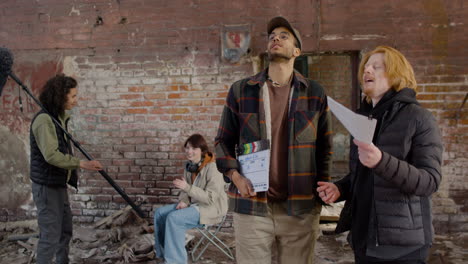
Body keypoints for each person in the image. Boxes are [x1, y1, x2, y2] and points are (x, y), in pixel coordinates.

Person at [215, 16, 332, 264]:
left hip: (300, 207)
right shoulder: (241, 90)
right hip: (252, 206)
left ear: (297, 51)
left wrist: (319, 200)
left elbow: (325, 150)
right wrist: (236, 176)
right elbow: (222, 142)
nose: (275, 38)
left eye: (284, 36)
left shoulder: (314, 92)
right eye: (272, 36)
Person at [317, 46, 443, 264]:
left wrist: (382, 161)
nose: (367, 71)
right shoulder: (362, 117)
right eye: (366, 67)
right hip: (364, 239)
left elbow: (429, 181)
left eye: (377, 67)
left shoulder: (419, 118)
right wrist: (341, 188)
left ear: (397, 75)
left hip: (402, 247)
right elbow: (363, 174)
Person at [30, 74, 103, 264]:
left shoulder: (58, 118)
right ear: (60, 96)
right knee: (50, 237)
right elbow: (51, 155)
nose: (76, 101)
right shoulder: (44, 121)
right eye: (73, 96)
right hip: (46, 187)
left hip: (58, 184)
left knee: (65, 231)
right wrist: (81, 163)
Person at [153, 134, 228, 264]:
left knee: (174, 218)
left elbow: (210, 198)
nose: (189, 151)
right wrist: (184, 201)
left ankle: (175, 261)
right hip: (195, 205)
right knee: (160, 214)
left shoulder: (213, 168)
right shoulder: (189, 167)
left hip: (211, 208)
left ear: (202, 150)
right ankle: (164, 254)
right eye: (187, 148)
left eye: (194, 148)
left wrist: (187, 188)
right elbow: (185, 192)